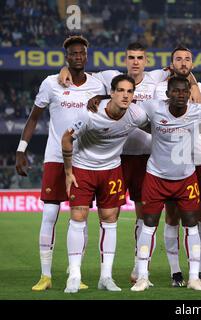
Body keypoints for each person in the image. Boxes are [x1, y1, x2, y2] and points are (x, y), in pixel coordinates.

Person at [15, 35, 105, 291]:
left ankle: (74, 272)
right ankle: (45, 275)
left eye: (81, 53)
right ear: (66, 57)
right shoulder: (51, 83)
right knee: (50, 214)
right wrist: (22, 149)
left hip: (84, 159)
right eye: (73, 54)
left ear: (87, 56)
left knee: (81, 218)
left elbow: (124, 87)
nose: (77, 57)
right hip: (55, 157)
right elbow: (33, 118)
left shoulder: (98, 84)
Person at [130, 76, 201, 292]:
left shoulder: (198, 111)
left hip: (186, 176)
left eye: (184, 91)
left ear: (189, 93)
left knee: (192, 225)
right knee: (148, 223)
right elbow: (127, 108)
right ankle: (143, 276)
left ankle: (193, 278)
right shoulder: (153, 107)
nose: (180, 95)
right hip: (156, 176)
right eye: (176, 91)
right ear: (168, 93)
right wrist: (101, 98)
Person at [62, 74, 148, 293]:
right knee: (78, 217)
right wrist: (68, 171)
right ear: (111, 92)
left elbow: (157, 121)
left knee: (110, 221)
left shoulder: (136, 115)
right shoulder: (91, 113)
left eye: (129, 91)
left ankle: (106, 277)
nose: (125, 95)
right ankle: (74, 275)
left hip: (111, 170)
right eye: (120, 90)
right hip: (83, 168)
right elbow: (67, 138)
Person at [153, 45, 201, 287]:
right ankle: (175, 271)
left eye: (187, 59)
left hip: (199, 159)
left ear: (192, 64)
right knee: (173, 215)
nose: (183, 62)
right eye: (178, 58)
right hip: (173, 159)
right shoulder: (162, 90)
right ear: (171, 64)